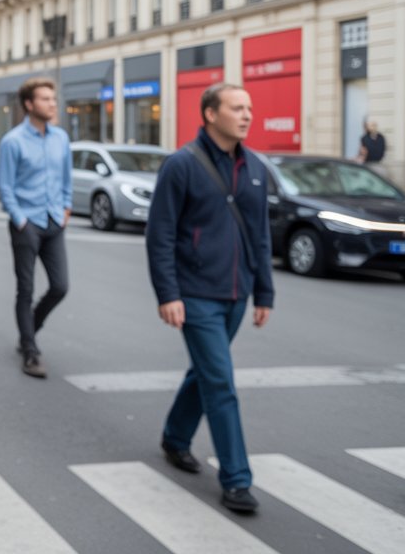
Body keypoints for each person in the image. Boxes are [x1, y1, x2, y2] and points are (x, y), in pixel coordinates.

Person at [145, 82, 274, 514]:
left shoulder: (255, 166)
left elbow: (260, 235)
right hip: (196, 294)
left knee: (205, 371)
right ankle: (237, 480)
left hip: (237, 293)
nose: (247, 115)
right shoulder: (181, 164)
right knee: (220, 380)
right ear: (210, 115)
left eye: (249, 108)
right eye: (237, 108)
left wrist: (264, 293)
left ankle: (175, 438)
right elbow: (160, 234)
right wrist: (169, 293)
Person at [0, 77, 72, 379]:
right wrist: (21, 220)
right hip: (26, 223)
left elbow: (66, 180)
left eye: (53, 99)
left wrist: (65, 209)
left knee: (60, 286)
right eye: (45, 99)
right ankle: (30, 350)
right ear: (29, 104)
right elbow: (6, 186)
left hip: (54, 221)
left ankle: (29, 329)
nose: (52, 104)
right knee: (25, 289)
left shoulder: (61, 139)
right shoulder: (13, 141)